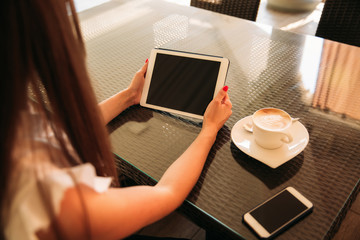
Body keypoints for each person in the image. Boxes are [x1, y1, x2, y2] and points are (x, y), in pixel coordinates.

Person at [0, 0, 232, 239]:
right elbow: (167, 192)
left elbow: (59, 133)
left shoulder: (14, 120)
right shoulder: (56, 198)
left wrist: (128, 96)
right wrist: (209, 130)